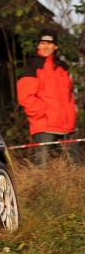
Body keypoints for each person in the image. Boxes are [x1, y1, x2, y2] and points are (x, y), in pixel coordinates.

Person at [17, 28, 83, 167]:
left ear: (56, 46)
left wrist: (72, 113)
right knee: (42, 169)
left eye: (49, 43)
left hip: (68, 126)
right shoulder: (32, 68)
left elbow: (70, 94)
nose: (45, 46)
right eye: (42, 43)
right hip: (44, 125)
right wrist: (44, 113)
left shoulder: (63, 68)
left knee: (77, 167)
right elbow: (25, 97)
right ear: (38, 45)